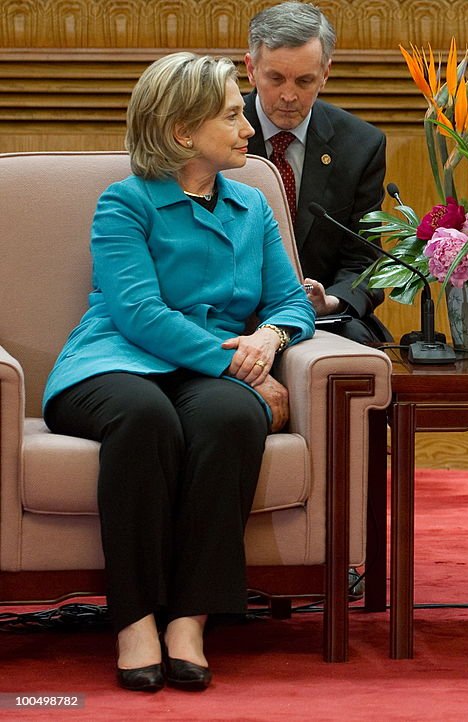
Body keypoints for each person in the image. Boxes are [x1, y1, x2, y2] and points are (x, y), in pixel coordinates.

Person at [43, 52, 315, 692]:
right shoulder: (125, 204)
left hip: (212, 376)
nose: (249, 125)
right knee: (145, 418)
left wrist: (272, 337)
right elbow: (139, 314)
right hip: (114, 363)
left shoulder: (252, 204)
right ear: (180, 132)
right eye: (230, 115)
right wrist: (240, 362)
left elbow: (291, 301)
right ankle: (134, 619)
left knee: (226, 419)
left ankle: (190, 619)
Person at [243, 1, 390, 346]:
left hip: (320, 315)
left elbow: (365, 261)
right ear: (251, 69)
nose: (289, 96)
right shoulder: (216, 134)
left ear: (325, 73)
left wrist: (332, 300)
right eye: (275, 78)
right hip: (230, 312)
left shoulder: (360, 146)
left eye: (305, 80)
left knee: (362, 345)